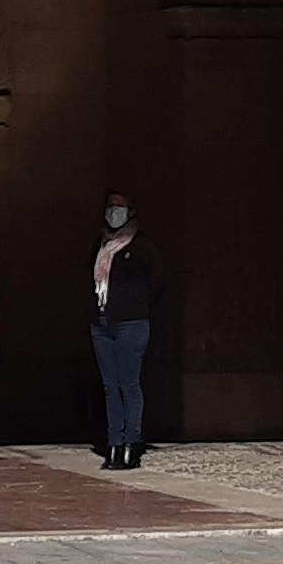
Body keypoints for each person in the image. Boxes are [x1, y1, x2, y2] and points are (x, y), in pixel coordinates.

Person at [88, 193, 161, 471]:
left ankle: (132, 444)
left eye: (119, 208)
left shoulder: (142, 246)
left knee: (129, 384)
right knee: (110, 386)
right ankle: (114, 444)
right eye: (110, 207)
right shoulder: (101, 244)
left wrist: (136, 306)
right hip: (103, 324)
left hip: (131, 323)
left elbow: (157, 282)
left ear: (130, 211)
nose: (113, 212)